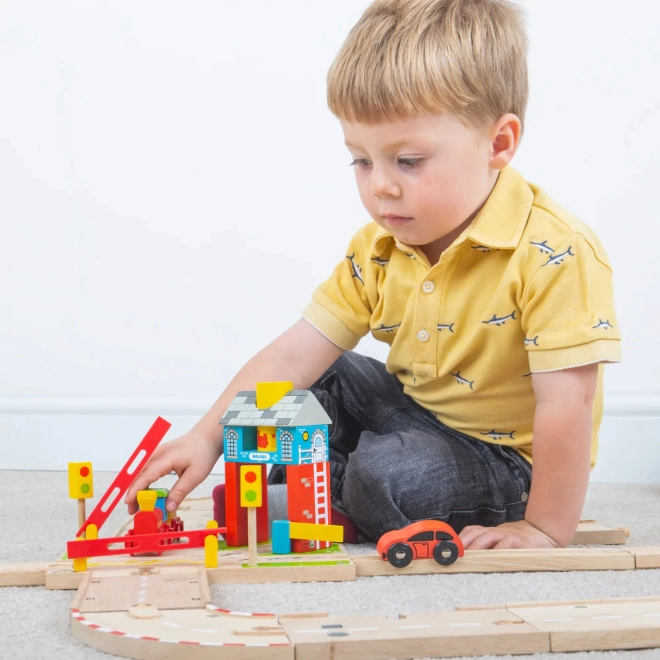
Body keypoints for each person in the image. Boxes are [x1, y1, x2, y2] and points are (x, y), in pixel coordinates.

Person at [125, 0, 621, 550]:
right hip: (416, 416)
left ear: (497, 144)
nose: (379, 186)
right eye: (361, 160)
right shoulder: (380, 248)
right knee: (318, 377)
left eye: (407, 161)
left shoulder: (554, 253)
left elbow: (567, 404)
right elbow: (294, 353)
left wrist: (543, 527)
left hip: (504, 462)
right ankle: (326, 490)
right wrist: (207, 436)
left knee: (386, 475)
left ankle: (332, 492)